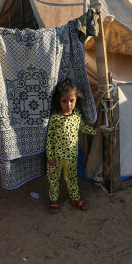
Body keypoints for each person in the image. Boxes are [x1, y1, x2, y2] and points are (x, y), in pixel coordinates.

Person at [45, 80, 101, 214]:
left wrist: (95, 131)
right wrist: (50, 156)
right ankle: (53, 200)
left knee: (71, 178)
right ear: (59, 101)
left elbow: (83, 127)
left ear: (76, 99)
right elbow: (49, 139)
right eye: (64, 101)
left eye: (72, 100)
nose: (69, 105)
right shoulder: (55, 118)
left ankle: (74, 199)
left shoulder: (76, 115)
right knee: (53, 179)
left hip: (71, 156)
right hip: (56, 157)